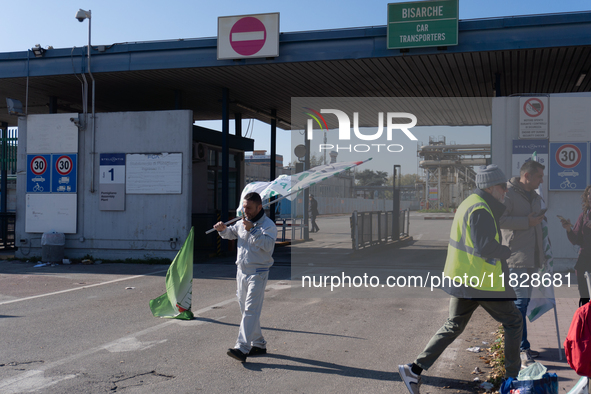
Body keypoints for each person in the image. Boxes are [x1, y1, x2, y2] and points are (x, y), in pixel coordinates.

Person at [398, 165, 522, 394]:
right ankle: (513, 378)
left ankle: (413, 369)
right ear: (491, 187)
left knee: (453, 325)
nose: (505, 191)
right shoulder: (481, 209)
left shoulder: (469, 203)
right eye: (502, 187)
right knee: (514, 321)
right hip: (480, 282)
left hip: (463, 279)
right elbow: (485, 247)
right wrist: (506, 251)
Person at [214, 192, 278, 362]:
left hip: (258, 272)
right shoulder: (242, 222)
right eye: (244, 207)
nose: (245, 211)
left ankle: (242, 348)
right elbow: (232, 233)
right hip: (241, 271)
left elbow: (267, 245)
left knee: (250, 310)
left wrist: (253, 229)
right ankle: (259, 343)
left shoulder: (268, 225)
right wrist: (223, 230)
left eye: (249, 208)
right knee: (246, 311)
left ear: (259, 207)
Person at [499, 160, 545, 367]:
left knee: (523, 304)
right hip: (516, 256)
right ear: (526, 175)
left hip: (531, 256)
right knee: (519, 304)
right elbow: (500, 220)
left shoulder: (534, 195)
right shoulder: (508, 193)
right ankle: (519, 349)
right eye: (539, 177)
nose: (541, 180)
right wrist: (527, 222)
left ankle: (521, 344)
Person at [559, 185, 591, 307]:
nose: (590, 197)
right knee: (584, 297)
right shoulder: (584, 215)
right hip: (584, 260)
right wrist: (568, 229)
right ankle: (586, 323)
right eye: (588, 194)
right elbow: (576, 240)